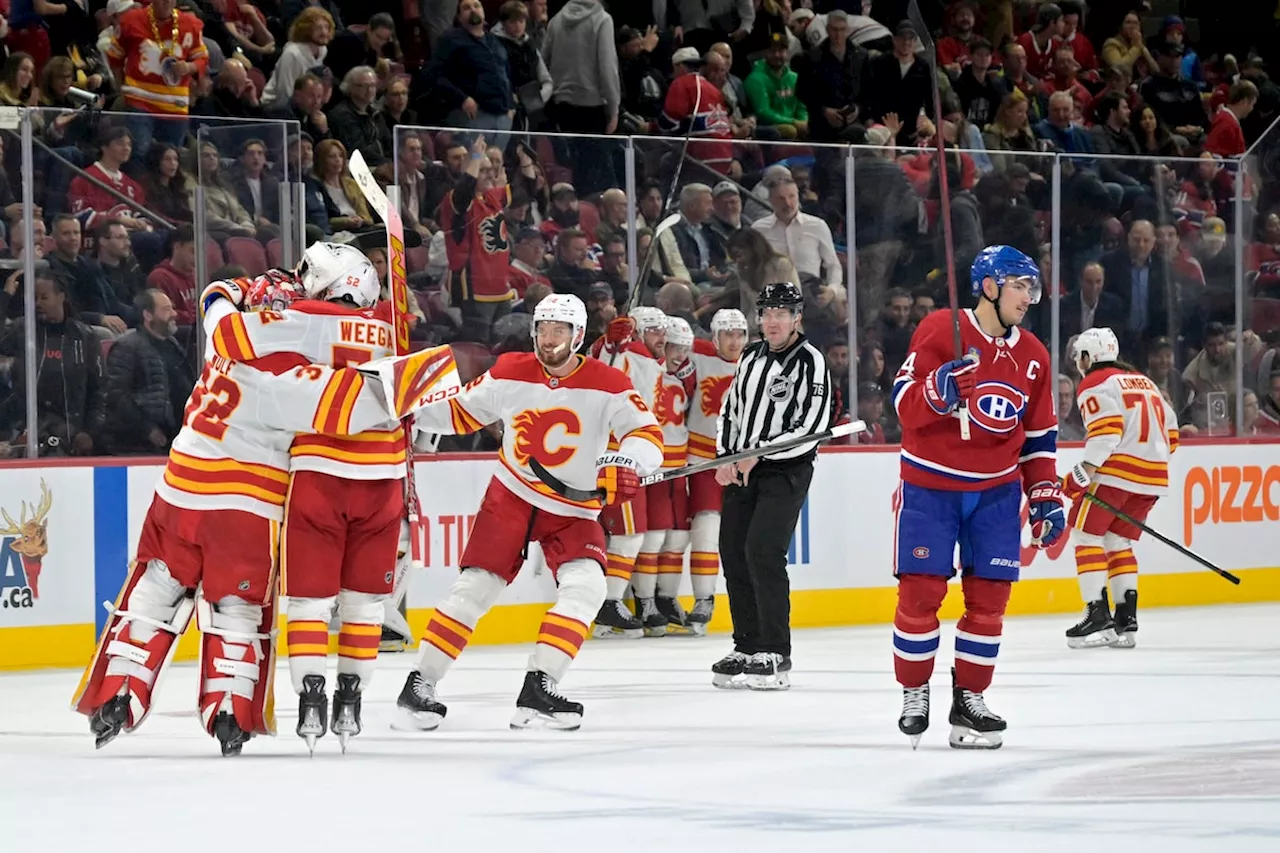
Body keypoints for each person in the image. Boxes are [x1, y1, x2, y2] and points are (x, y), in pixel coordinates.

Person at [71, 262, 451, 756]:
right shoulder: (297, 378)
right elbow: (369, 405)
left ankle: (118, 694)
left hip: (181, 484)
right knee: (237, 608)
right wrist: (406, 371)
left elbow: (215, 302)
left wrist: (233, 289)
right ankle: (230, 711)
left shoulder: (229, 337)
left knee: (156, 587)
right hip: (248, 501)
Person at [391, 294, 664, 731]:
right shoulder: (509, 371)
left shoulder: (608, 382)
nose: (548, 339)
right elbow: (459, 413)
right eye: (543, 329)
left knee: (588, 587)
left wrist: (629, 462)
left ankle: (540, 685)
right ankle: (419, 685)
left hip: (573, 507)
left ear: (577, 336)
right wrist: (406, 404)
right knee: (475, 588)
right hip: (512, 496)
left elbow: (646, 433)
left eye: (559, 331)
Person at [201, 242, 424, 752]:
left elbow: (229, 340)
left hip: (319, 477)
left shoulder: (301, 316)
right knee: (366, 602)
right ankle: (352, 700)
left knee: (309, 600)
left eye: (311, 276)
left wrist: (222, 295)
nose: (302, 285)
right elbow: (427, 400)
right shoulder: (395, 331)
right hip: (383, 483)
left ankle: (311, 698)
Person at [889, 245, 1064, 750]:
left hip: (996, 494)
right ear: (989, 286)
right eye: (1020, 286)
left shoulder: (1033, 354)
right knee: (921, 596)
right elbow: (903, 403)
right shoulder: (943, 329)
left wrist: (1045, 492)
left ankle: (969, 702)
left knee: (989, 603)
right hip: (930, 488)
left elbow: (1038, 439)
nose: (1029, 297)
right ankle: (914, 689)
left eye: (1032, 287)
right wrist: (940, 389)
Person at [712, 283, 832, 690]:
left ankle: (775, 651)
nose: (773, 321)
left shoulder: (811, 362)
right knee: (732, 550)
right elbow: (732, 409)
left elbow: (811, 427)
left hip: (786, 470)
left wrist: (759, 452)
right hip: (743, 466)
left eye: (782, 313)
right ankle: (746, 645)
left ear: (797, 317)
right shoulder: (750, 356)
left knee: (763, 551)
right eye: (766, 313)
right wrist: (727, 457)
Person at [1062, 327, 1179, 649]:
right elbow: (1172, 434)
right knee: (1118, 541)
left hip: (1114, 475)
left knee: (1085, 536)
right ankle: (1126, 622)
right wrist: (1147, 462)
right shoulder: (1145, 381)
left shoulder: (1094, 383)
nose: (1079, 364)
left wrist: (1081, 475)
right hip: (1153, 478)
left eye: (1080, 357)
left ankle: (1096, 613)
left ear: (1088, 357)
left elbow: (1105, 433)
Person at [589, 307, 667, 638]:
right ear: (637, 333)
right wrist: (610, 343)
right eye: (653, 331)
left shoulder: (650, 359)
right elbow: (598, 372)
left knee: (620, 534)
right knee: (628, 534)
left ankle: (605, 607)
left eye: (662, 331)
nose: (661, 337)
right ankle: (608, 600)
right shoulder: (628, 354)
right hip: (612, 455)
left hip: (627, 453)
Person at [683, 308, 749, 634]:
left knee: (742, 536)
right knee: (706, 529)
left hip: (742, 461)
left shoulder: (755, 368)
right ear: (715, 337)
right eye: (727, 334)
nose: (734, 341)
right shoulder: (699, 358)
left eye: (739, 334)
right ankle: (704, 599)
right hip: (703, 458)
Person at [649, 317, 697, 631]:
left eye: (684, 348)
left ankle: (665, 597)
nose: (680, 354)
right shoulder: (644, 373)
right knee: (651, 538)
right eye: (674, 346)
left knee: (678, 536)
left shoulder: (683, 379)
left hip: (679, 465)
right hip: (652, 465)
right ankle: (645, 601)